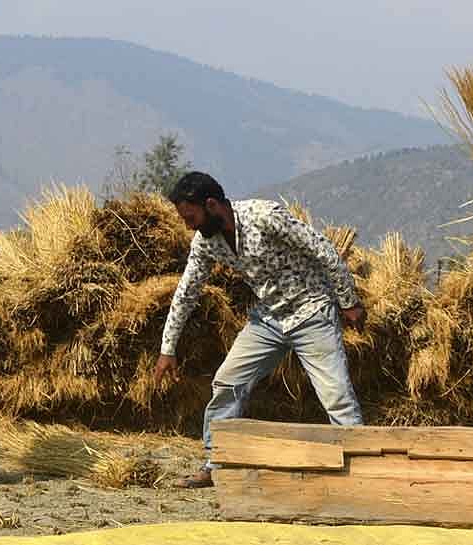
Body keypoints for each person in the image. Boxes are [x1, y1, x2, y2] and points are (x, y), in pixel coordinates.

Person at [153, 171, 365, 488]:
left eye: (191, 217)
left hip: (312, 311)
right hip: (269, 319)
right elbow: (187, 292)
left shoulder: (264, 216)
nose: (188, 225)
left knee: (337, 398)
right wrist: (167, 349)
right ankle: (217, 463)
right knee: (227, 382)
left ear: (211, 205)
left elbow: (322, 249)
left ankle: (362, 467)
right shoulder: (206, 242)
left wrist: (349, 301)